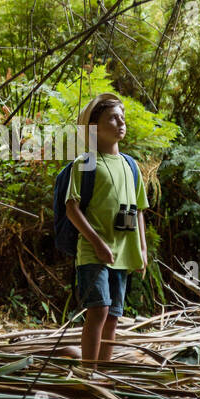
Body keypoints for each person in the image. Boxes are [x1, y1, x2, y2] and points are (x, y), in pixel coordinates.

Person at [65, 93, 149, 366]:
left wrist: (142, 250)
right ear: (94, 127)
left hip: (122, 253)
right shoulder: (86, 162)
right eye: (113, 117)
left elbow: (137, 211)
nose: (121, 122)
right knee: (98, 309)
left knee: (113, 314)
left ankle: (103, 371)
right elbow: (72, 208)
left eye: (122, 117)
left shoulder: (131, 165)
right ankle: (87, 371)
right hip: (93, 251)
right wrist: (98, 242)